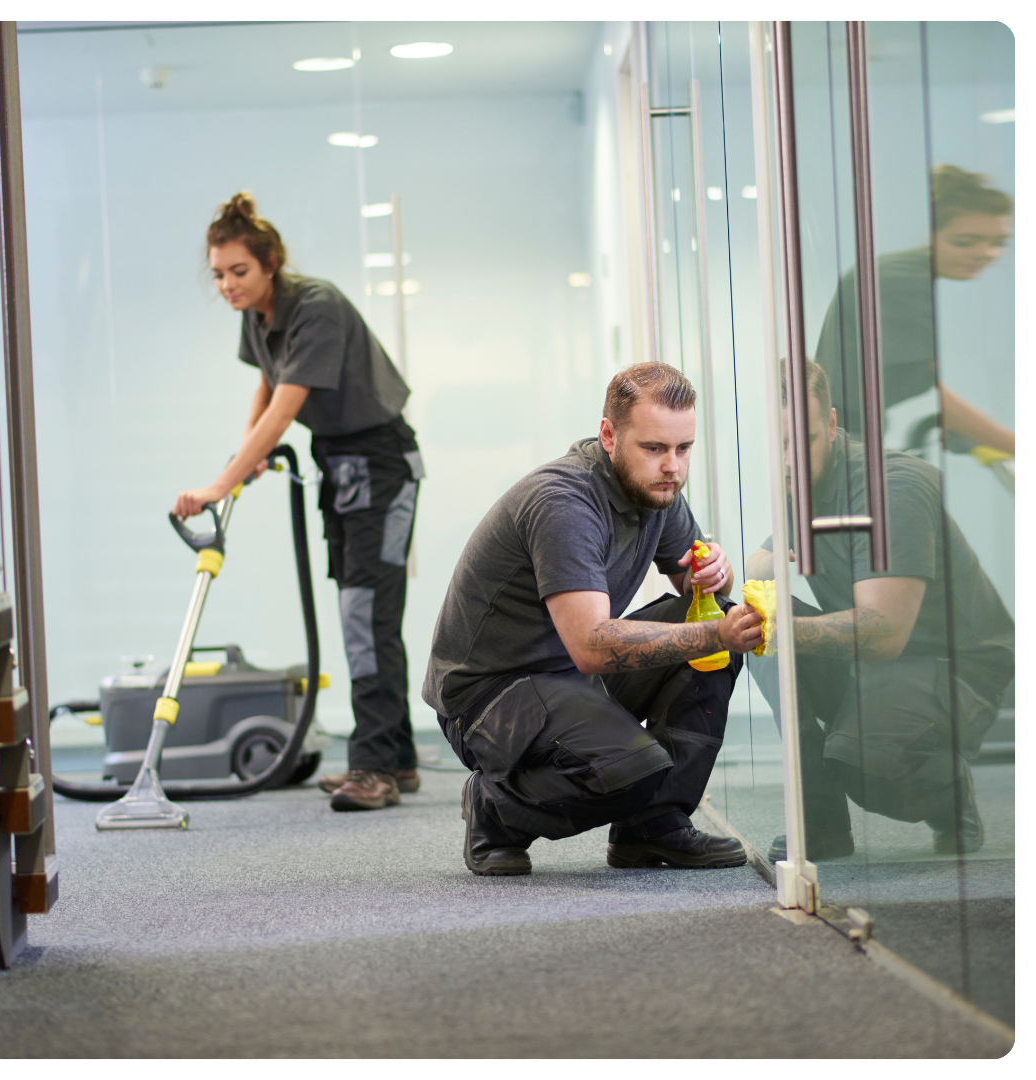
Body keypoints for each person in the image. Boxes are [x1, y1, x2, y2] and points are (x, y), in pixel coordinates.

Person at [422, 362, 765, 876]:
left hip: (566, 678)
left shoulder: (657, 487)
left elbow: (692, 591)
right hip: (490, 698)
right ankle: (495, 807)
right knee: (636, 767)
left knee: (712, 638)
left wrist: (716, 573)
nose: (672, 466)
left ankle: (654, 827)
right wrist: (715, 630)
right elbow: (590, 644)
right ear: (609, 435)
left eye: (683, 448)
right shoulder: (564, 502)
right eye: (654, 448)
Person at [173, 192, 425, 812]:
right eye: (219, 275)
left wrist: (221, 482)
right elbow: (265, 383)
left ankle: (374, 769)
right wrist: (247, 454)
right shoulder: (258, 314)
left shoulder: (316, 306)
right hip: (340, 465)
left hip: (384, 465)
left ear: (271, 263)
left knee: (365, 614)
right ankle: (396, 758)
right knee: (359, 610)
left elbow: (287, 407)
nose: (228, 285)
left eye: (240, 272)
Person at [746, 362, 1014, 862]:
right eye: (777, 445)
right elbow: (760, 561)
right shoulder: (801, 480)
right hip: (874, 663)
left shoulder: (894, 490)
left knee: (861, 765)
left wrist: (780, 628)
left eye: (801, 441)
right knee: (762, 641)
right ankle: (821, 826)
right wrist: (767, 575)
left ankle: (950, 790)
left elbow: (886, 632)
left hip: (951, 668)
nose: (789, 462)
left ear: (830, 423)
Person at [814, 165, 1014, 457]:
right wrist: (1021, 447)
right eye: (964, 242)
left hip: (848, 436)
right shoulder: (899, 279)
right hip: (840, 443)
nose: (987, 253)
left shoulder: (905, 272)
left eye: (997, 243)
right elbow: (939, 396)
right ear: (931, 234)